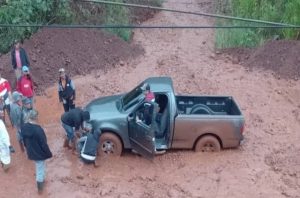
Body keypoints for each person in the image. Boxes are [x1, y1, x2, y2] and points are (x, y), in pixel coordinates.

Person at [21, 109, 52, 193]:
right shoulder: (38, 130)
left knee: (38, 166)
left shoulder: (24, 127)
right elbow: (44, 144)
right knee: (40, 169)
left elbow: (23, 139)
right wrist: (49, 154)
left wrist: (26, 148)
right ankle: (40, 188)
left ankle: (41, 181)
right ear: (36, 117)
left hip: (31, 151)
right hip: (39, 153)